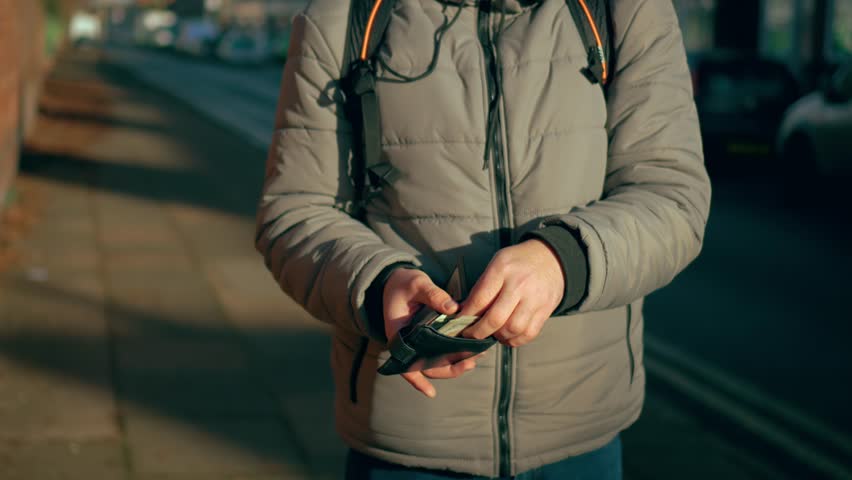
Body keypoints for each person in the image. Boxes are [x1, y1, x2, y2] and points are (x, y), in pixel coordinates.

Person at [255, 0, 711, 478]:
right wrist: (377, 287)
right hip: (408, 439)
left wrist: (562, 261)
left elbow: (673, 196)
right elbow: (294, 210)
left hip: (580, 434)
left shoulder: (625, 10)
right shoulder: (343, 14)